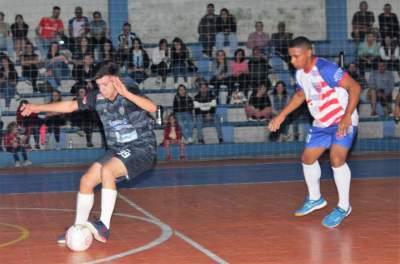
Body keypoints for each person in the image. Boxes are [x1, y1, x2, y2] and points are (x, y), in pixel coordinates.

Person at [21, 60, 157, 243]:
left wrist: (125, 93)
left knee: (107, 171)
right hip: (118, 149)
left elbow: (153, 108)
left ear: (115, 80)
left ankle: (104, 226)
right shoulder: (96, 97)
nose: (101, 89)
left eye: (105, 84)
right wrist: (37, 108)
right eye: (98, 85)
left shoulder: (129, 90)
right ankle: (78, 228)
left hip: (141, 148)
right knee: (86, 181)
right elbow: (70, 106)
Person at [268, 36, 361, 228]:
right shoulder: (300, 73)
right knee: (307, 158)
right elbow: (301, 95)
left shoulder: (326, 69)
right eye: (290, 57)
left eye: (295, 57)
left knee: (337, 159)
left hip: (342, 120)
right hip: (321, 123)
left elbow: (355, 87)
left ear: (308, 53)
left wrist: (346, 116)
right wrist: (282, 115)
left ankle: (344, 207)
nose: (292, 61)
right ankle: (315, 198)